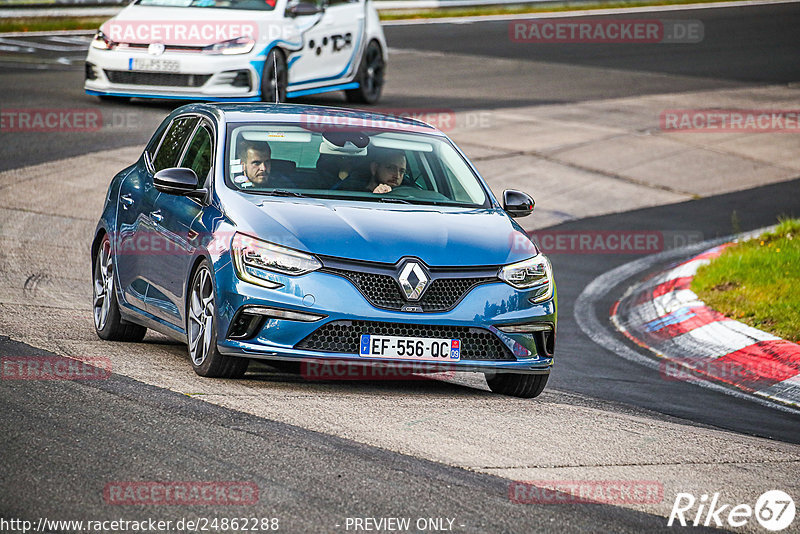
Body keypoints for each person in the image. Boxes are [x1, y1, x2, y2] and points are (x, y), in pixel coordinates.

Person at [334, 149, 409, 193]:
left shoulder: (409, 196)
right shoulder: (350, 192)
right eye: (391, 168)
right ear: (374, 168)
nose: (397, 176)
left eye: (402, 171)